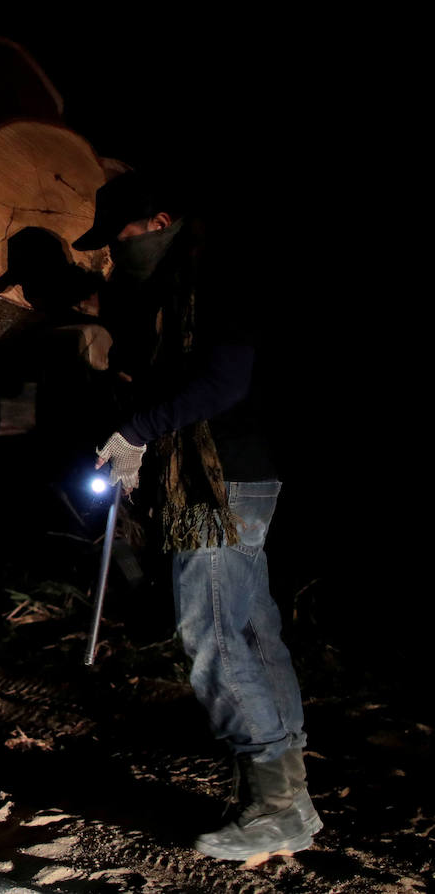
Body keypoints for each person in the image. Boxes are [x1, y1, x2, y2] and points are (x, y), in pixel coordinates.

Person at [75, 170, 319, 861]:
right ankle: (282, 790)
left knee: (211, 634)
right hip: (236, 477)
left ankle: (276, 804)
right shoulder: (174, 290)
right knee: (250, 628)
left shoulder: (215, 277)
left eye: (119, 238)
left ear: (158, 221)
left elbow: (222, 380)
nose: (116, 254)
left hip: (221, 483)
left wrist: (137, 432)